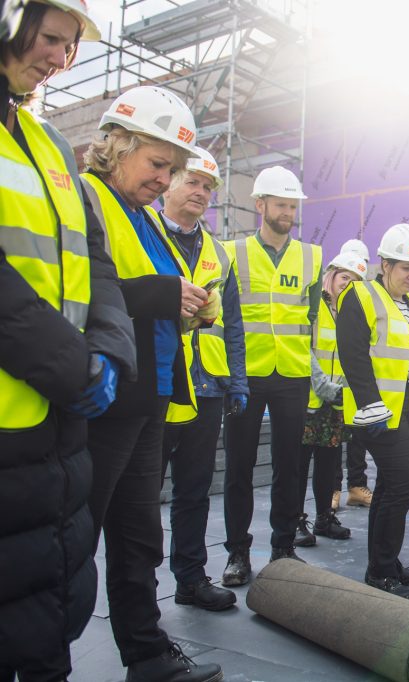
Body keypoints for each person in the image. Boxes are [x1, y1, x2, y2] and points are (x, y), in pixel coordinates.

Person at [0, 2, 134, 680]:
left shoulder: (48, 142)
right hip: (16, 418)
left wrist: (108, 353)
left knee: (50, 604)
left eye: (70, 47)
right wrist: (72, 366)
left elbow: (97, 266)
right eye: (50, 39)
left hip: (59, 427)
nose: (58, 59)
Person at [80, 85, 224, 681]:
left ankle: (147, 655)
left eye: (172, 168)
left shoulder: (144, 218)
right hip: (102, 398)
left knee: (139, 537)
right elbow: (84, 287)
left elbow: (152, 291)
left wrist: (192, 305)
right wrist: (167, 295)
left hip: (149, 394)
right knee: (73, 538)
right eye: (157, 164)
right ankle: (41, 660)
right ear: (117, 146)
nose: (165, 180)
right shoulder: (84, 199)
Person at [221, 165, 322, 585]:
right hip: (247, 375)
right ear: (260, 205)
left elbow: (312, 316)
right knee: (239, 467)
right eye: (281, 204)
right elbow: (224, 318)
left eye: (292, 205)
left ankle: (283, 548)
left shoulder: (312, 255)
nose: (288, 212)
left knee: (289, 465)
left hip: (293, 374)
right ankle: (238, 554)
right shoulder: (231, 253)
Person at [336, 223, 409, 600]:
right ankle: (380, 571)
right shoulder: (360, 296)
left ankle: (386, 562)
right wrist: (371, 404)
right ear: (384, 264)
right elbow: (353, 356)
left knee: (388, 486)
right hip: (379, 412)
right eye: (405, 268)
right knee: (402, 483)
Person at [158, 146, 246, 612]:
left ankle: (190, 579)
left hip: (206, 385)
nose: (201, 192)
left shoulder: (217, 252)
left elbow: (232, 323)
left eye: (208, 187)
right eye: (192, 181)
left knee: (194, 489)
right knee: (139, 494)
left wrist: (238, 379)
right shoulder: (145, 232)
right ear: (169, 182)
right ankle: (136, 591)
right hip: (157, 383)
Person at [295, 249, 367, 545]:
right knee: (298, 466)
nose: (346, 284)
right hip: (308, 401)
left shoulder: (351, 312)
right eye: (344, 277)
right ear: (331, 276)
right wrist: (321, 384)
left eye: (354, 281)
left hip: (336, 402)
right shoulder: (315, 305)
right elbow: (302, 344)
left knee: (328, 465)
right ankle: (295, 522)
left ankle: (325, 518)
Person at [336, 237, 374, 510]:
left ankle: (355, 487)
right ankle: (336, 489)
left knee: (357, 438)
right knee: (333, 442)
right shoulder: (325, 304)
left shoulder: (364, 302)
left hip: (354, 384)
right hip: (330, 385)